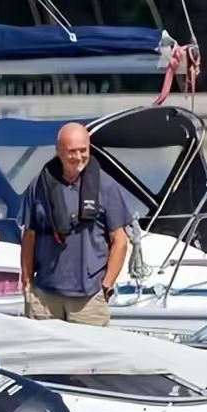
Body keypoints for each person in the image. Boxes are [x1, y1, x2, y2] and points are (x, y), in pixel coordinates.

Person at [20, 122, 132, 327]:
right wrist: (26, 282)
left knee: (91, 358)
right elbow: (29, 235)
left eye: (83, 150)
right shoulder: (39, 185)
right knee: (43, 356)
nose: (79, 157)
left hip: (88, 298)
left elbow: (120, 241)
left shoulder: (106, 186)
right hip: (45, 296)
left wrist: (107, 285)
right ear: (59, 152)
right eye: (72, 152)